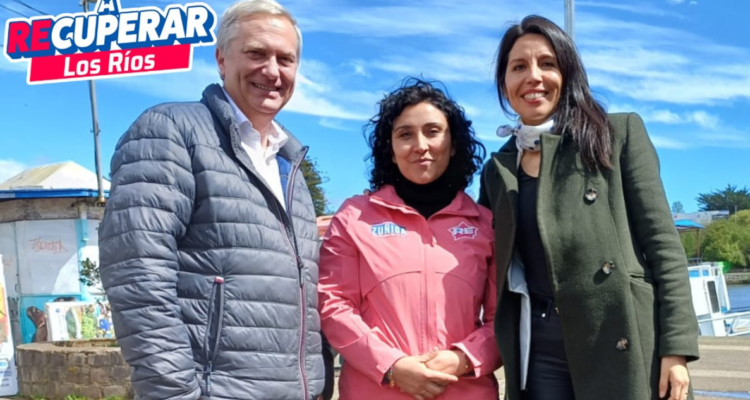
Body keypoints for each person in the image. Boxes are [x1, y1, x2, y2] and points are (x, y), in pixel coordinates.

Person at [97, 1, 333, 399]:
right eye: (256, 53)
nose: (272, 71)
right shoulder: (171, 130)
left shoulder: (289, 166)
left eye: (285, 59)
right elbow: (137, 273)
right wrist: (174, 393)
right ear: (221, 59)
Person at [477, 15, 700, 400]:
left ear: (568, 72)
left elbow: (664, 247)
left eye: (547, 63)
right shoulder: (496, 170)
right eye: (518, 67)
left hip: (619, 333)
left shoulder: (619, 134)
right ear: (504, 84)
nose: (533, 76)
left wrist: (676, 348)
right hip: (539, 349)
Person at [318, 78, 503, 400]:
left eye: (433, 131)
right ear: (390, 150)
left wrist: (464, 358)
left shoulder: (485, 224)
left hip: (465, 390)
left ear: (454, 142)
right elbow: (333, 305)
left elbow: (504, 317)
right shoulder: (355, 217)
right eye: (405, 134)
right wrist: (392, 366)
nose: (420, 145)